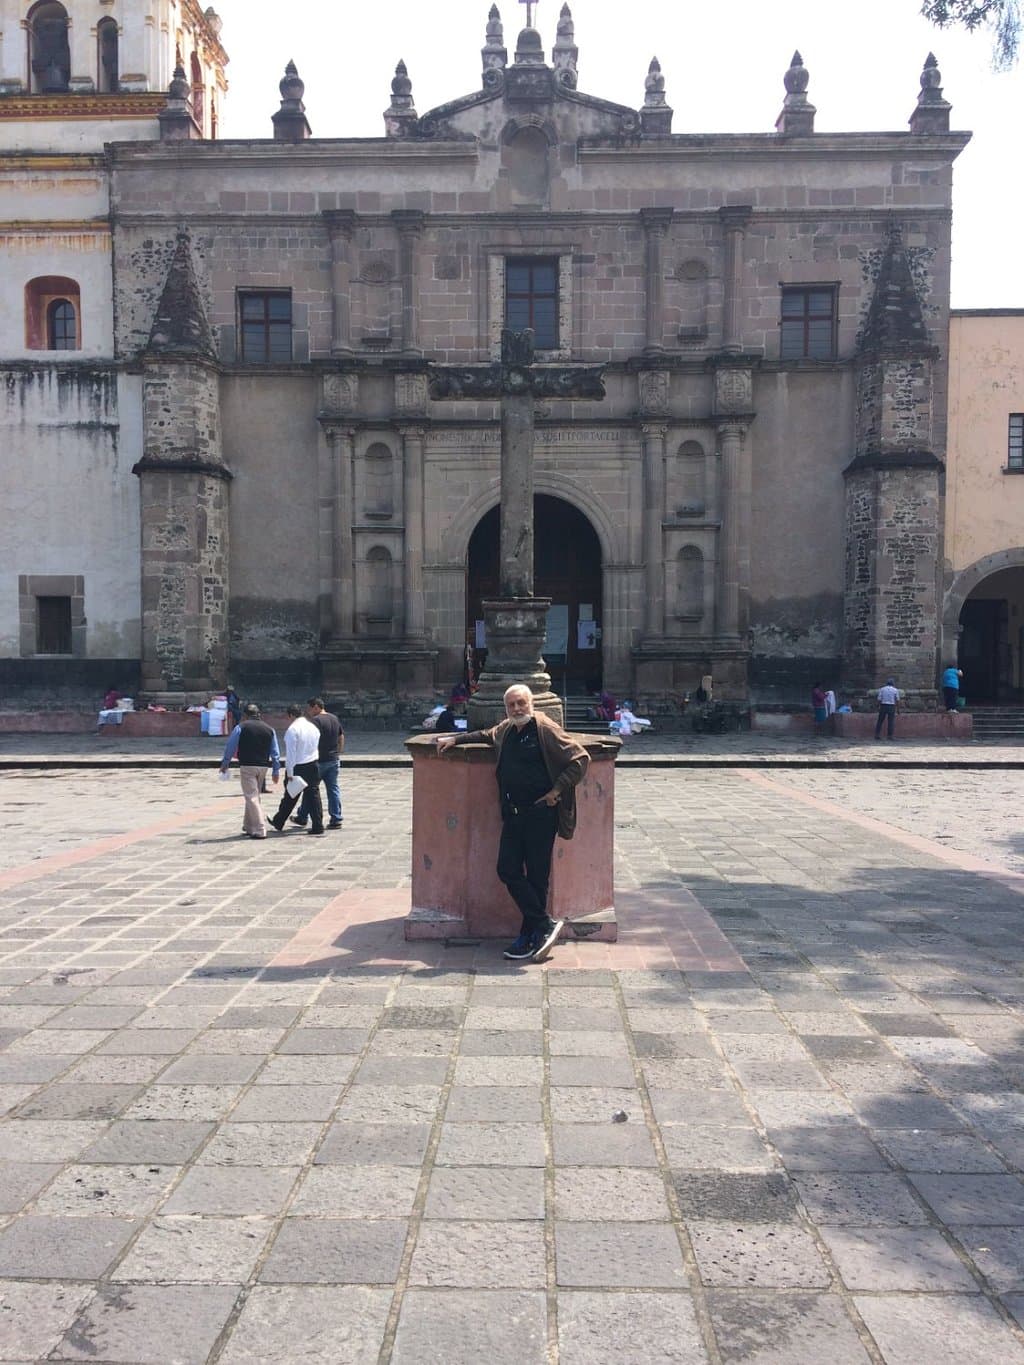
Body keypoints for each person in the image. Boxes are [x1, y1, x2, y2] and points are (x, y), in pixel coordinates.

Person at [436, 684, 589, 963]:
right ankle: (543, 925)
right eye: (512, 705)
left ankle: (528, 935)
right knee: (507, 869)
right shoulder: (506, 729)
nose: (517, 709)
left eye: (521, 703)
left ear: (532, 705)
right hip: (513, 813)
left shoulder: (545, 729)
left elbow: (579, 758)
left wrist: (556, 791)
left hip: (541, 814)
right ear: (506, 709)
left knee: (537, 877)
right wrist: (455, 740)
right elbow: (484, 734)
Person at [219, 702, 281, 838]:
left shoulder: (241, 727)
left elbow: (231, 746)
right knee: (253, 795)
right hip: (263, 766)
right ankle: (248, 825)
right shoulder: (269, 729)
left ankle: (259, 828)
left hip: (247, 765)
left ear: (245, 715)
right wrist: (276, 771)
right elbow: (275, 753)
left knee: (251, 796)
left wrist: (225, 763)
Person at [269, 703, 324, 834]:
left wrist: (290, 771)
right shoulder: (312, 727)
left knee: (290, 796)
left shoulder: (293, 730)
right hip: (313, 763)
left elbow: (291, 754)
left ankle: (279, 820)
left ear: (291, 715)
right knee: (313, 796)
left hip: (298, 766)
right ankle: (318, 824)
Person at [290, 697, 344, 830]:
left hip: (319, 760)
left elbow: (311, 739)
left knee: (311, 790)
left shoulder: (316, 721)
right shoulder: (334, 718)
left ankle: (302, 816)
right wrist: (339, 751)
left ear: (316, 707)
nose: (309, 711)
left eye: (310, 708)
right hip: (333, 759)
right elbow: (341, 736)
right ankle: (336, 817)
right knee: (333, 789)